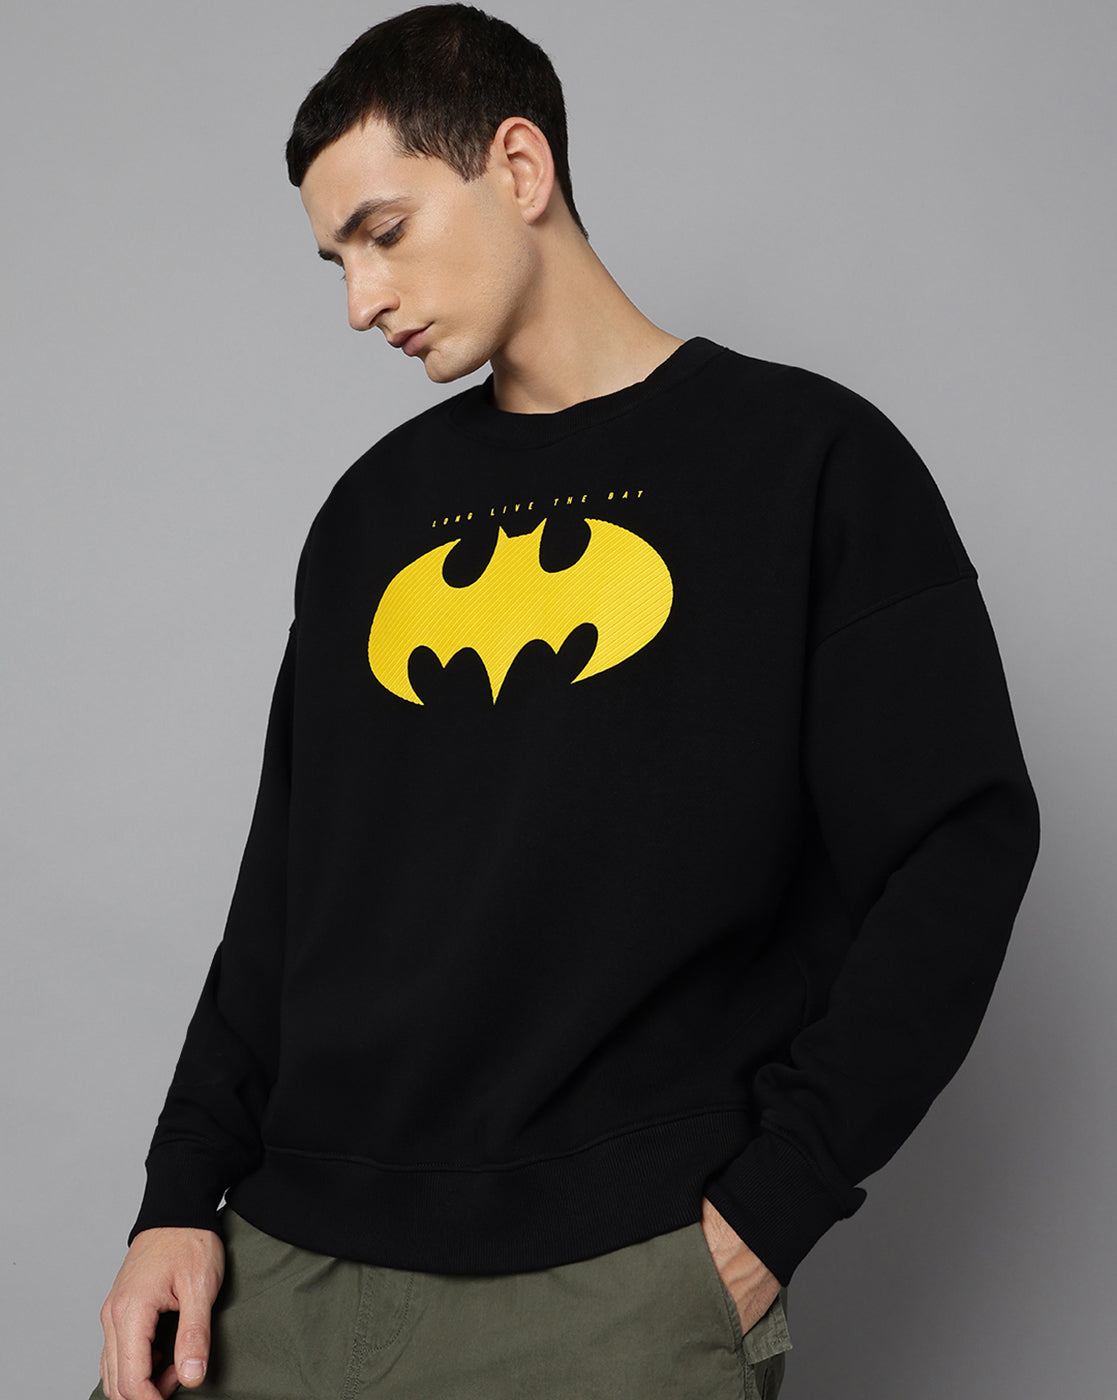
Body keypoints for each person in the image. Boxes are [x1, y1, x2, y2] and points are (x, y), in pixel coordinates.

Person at [90, 5, 1041, 1398]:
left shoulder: (805, 462)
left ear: (520, 167)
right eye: (337, 260)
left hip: (608, 1284)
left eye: (384, 232)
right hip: (286, 1257)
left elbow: (959, 846)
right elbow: (285, 894)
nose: (360, 300)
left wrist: (775, 1203)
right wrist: (177, 1198)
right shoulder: (373, 516)